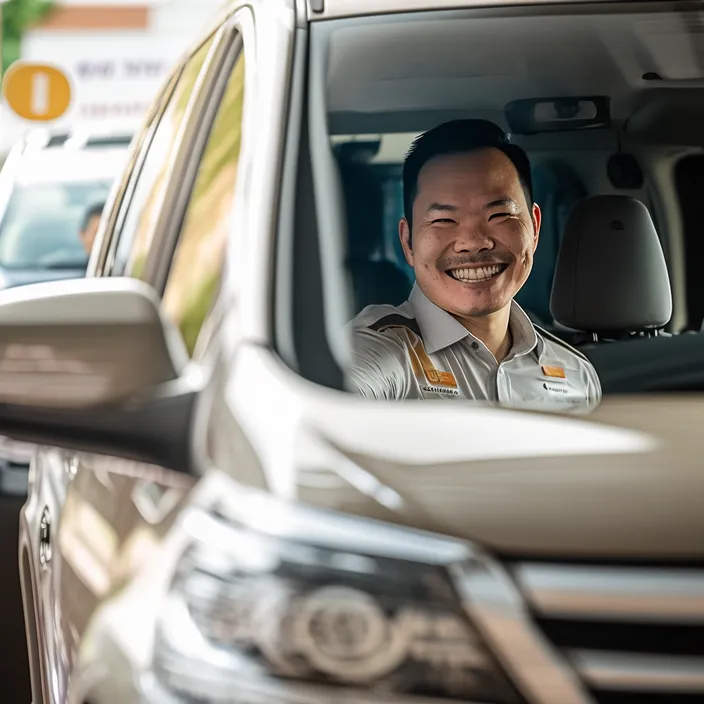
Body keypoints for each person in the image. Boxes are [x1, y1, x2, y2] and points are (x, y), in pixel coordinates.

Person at [349, 119, 601, 411]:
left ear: (533, 228)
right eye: (444, 220)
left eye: (499, 215)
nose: (473, 242)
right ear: (408, 242)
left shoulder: (576, 375)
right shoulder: (384, 352)